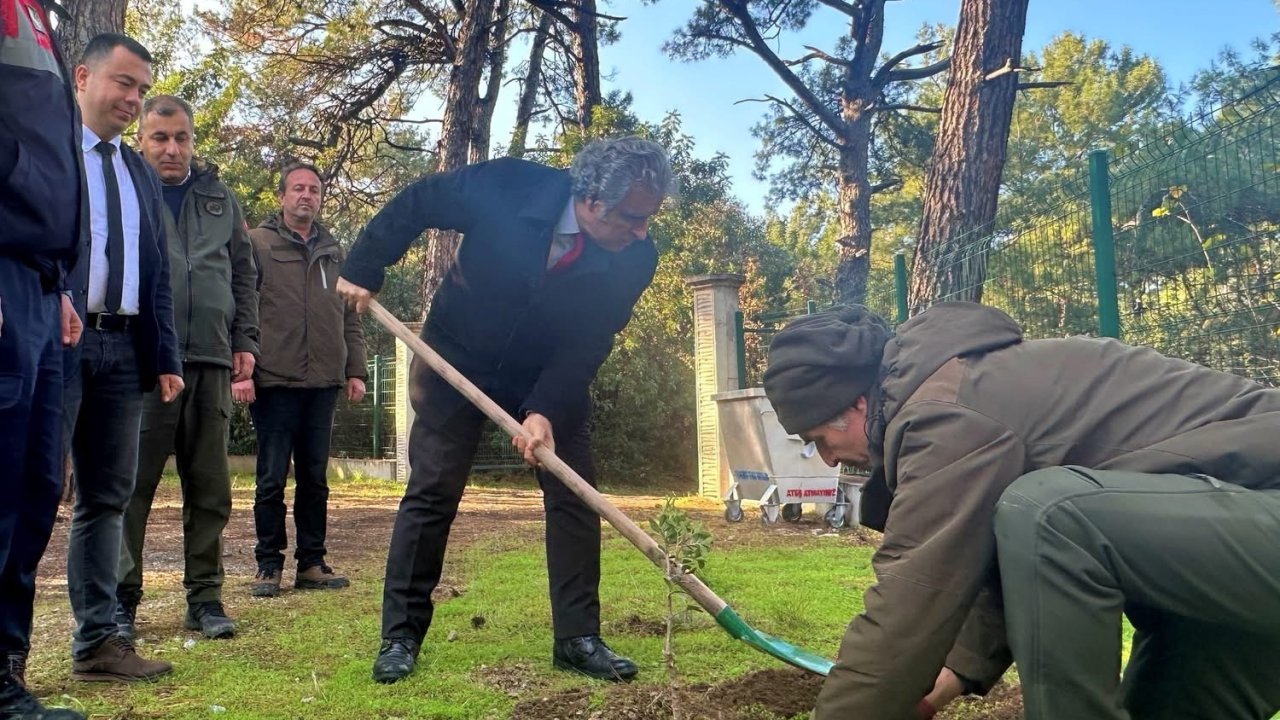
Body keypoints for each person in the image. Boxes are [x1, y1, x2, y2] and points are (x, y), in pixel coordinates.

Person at [760, 302, 1280, 720]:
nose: (828, 459)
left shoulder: (948, 412)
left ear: (854, 403)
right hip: (1227, 579)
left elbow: (913, 597)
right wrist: (956, 672)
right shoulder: (961, 387)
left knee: (1052, 515)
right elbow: (1021, 566)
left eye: (819, 439)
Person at [334, 136, 674, 685]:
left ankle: (577, 638)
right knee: (434, 487)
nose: (643, 232)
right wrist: (366, 263)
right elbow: (422, 200)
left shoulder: (636, 259)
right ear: (589, 199)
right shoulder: (511, 185)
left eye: (649, 218)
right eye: (633, 218)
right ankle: (400, 635)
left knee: (574, 490)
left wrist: (543, 409)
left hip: (544, 370)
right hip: (457, 355)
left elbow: (589, 341)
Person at [115, 95, 259, 641]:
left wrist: (245, 339)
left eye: (181, 138)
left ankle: (205, 598)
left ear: (193, 140)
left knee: (210, 487)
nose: (171, 149)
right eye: (159, 138)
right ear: (142, 139)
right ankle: (121, 600)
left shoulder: (220, 198)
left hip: (211, 359)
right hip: (145, 360)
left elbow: (244, 275)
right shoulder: (124, 191)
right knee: (132, 486)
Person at [63, 33, 183, 684]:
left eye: (142, 89)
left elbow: (155, 270)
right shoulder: (50, 148)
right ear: (83, 76)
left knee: (107, 499)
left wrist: (163, 355)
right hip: (58, 340)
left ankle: (98, 643)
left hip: (124, 350)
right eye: (124, 83)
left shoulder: (138, 169)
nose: (134, 99)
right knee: (23, 496)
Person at [0, 0, 88, 716]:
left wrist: (59, 280)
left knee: (33, 492)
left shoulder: (36, 16)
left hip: (38, 282)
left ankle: (5, 678)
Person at [241, 162, 366, 598]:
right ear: (282, 196)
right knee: (272, 477)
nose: (306, 196)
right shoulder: (256, 243)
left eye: (313, 189)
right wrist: (244, 368)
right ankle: (268, 565)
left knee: (315, 479)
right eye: (298, 188)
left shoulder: (334, 251)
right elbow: (242, 306)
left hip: (324, 382)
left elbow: (350, 317)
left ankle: (312, 563)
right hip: (274, 380)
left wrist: (356, 369)